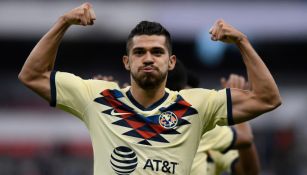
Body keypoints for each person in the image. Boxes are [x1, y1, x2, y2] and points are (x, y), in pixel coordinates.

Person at [18, 3, 281, 175]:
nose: (148, 58)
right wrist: (63, 22)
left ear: (171, 61)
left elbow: (267, 98)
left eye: (157, 52)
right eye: (139, 52)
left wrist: (241, 41)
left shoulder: (196, 105)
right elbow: (33, 75)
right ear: (127, 61)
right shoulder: (98, 96)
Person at [166, 62, 260, 175]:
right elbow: (245, 137)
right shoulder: (144, 124)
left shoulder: (208, 131)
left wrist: (238, 112)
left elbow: (249, 172)